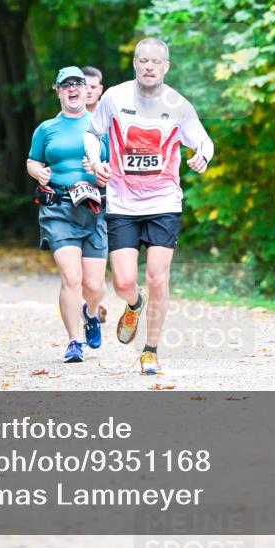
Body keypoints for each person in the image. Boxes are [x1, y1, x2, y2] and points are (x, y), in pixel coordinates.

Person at [84, 38, 214, 375]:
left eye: (156, 61)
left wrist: (202, 154)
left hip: (163, 202)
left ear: (166, 66)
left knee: (157, 277)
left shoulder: (178, 105)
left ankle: (150, 350)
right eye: (143, 60)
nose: (149, 66)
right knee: (124, 282)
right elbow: (92, 132)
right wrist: (95, 161)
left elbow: (203, 139)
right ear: (135, 64)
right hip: (123, 203)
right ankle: (133, 304)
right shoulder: (114, 97)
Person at [28, 67, 110, 363]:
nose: (73, 89)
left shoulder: (101, 126)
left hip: (94, 209)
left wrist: (102, 173)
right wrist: (40, 172)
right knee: (71, 277)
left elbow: (115, 165)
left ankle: (90, 314)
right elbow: (32, 161)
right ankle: (74, 342)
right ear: (58, 90)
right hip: (58, 208)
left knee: (95, 286)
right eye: (66, 85)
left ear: (87, 89)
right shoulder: (46, 129)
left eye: (78, 84)